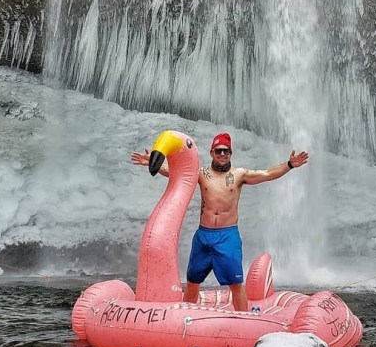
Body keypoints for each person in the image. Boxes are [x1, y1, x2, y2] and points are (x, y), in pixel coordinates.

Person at [131, 132, 308, 312]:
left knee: (236, 284)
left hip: (227, 236)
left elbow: (267, 173)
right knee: (192, 282)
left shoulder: (239, 175)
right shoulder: (201, 173)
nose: (222, 155)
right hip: (203, 236)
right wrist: (155, 164)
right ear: (212, 153)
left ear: (230, 154)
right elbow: (177, 172)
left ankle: (243, 322)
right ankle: (186, 320)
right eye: (218, 151)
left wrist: (289, 165)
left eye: (226, 151)